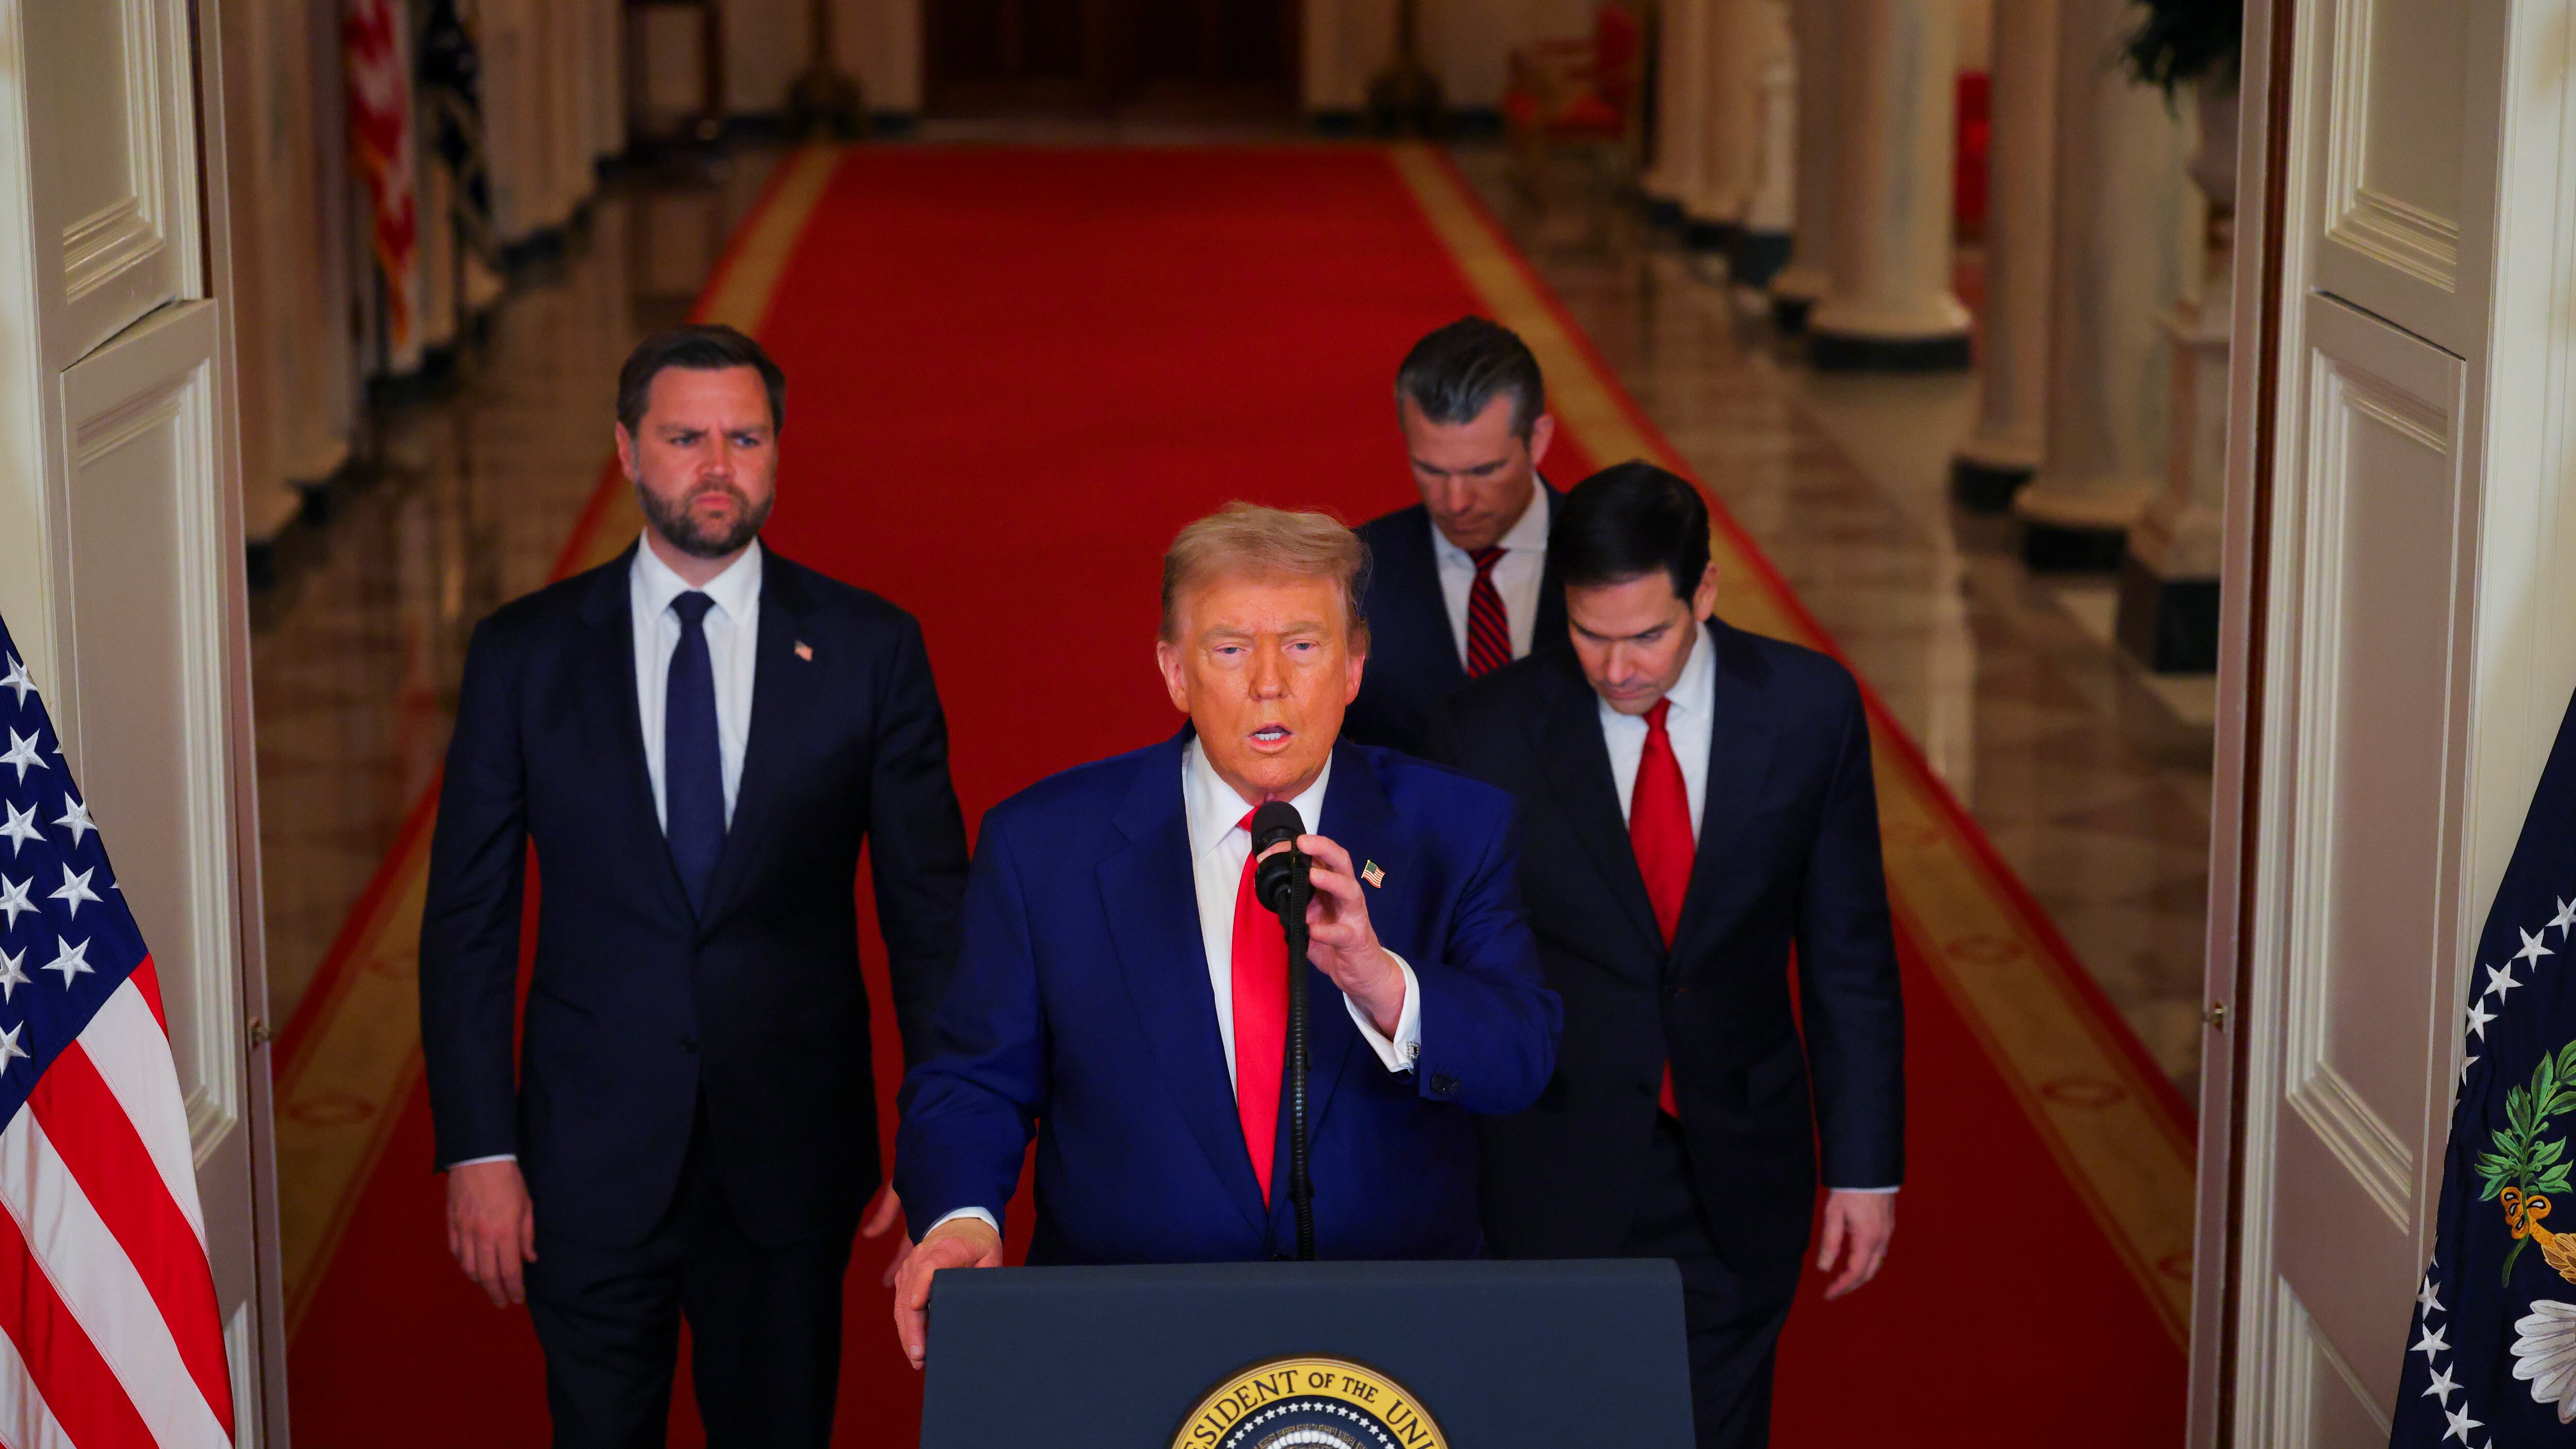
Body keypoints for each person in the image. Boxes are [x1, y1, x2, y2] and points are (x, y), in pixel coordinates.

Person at [418, 324, 970, 1448]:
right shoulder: (522, 654)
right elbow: (470, 916)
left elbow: (931, 917)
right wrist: (478, 1147)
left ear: (776, 450)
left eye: (744, 437)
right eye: (685, 437)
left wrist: (940, 1142)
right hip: (587, 1152)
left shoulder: (870, 648)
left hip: (790, 1152)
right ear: (626, 450)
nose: (716, 466)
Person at [889, 503, 1562, 1368]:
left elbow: (1523, 1058)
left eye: (1305, 645)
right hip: (1126, 1340)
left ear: (1355, 665)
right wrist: (958, 1218)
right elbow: (972, 1080)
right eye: (1231, 648)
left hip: (1390, 1347)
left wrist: (1380, 979)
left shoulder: (1457, 829)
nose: (1270, 682)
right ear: (1174, 670)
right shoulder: (1043, 844)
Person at [1429, 463, 1905, 1449]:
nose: (1617, 668)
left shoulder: (1811, 711)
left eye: (1648, 634)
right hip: (1552, 1167)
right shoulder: (1487, 733)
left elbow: (1847, 954)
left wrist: (1864, 1168)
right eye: (1590, 633)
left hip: (1738, 1161)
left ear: (1708, 592)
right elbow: (1458, 972)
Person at [1344, 317, 1568, 758]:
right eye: (1430, 470)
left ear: (1538, 441)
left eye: (1484, 471)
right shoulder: (1354, 574)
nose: (1456, 501)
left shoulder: (1616, 557)